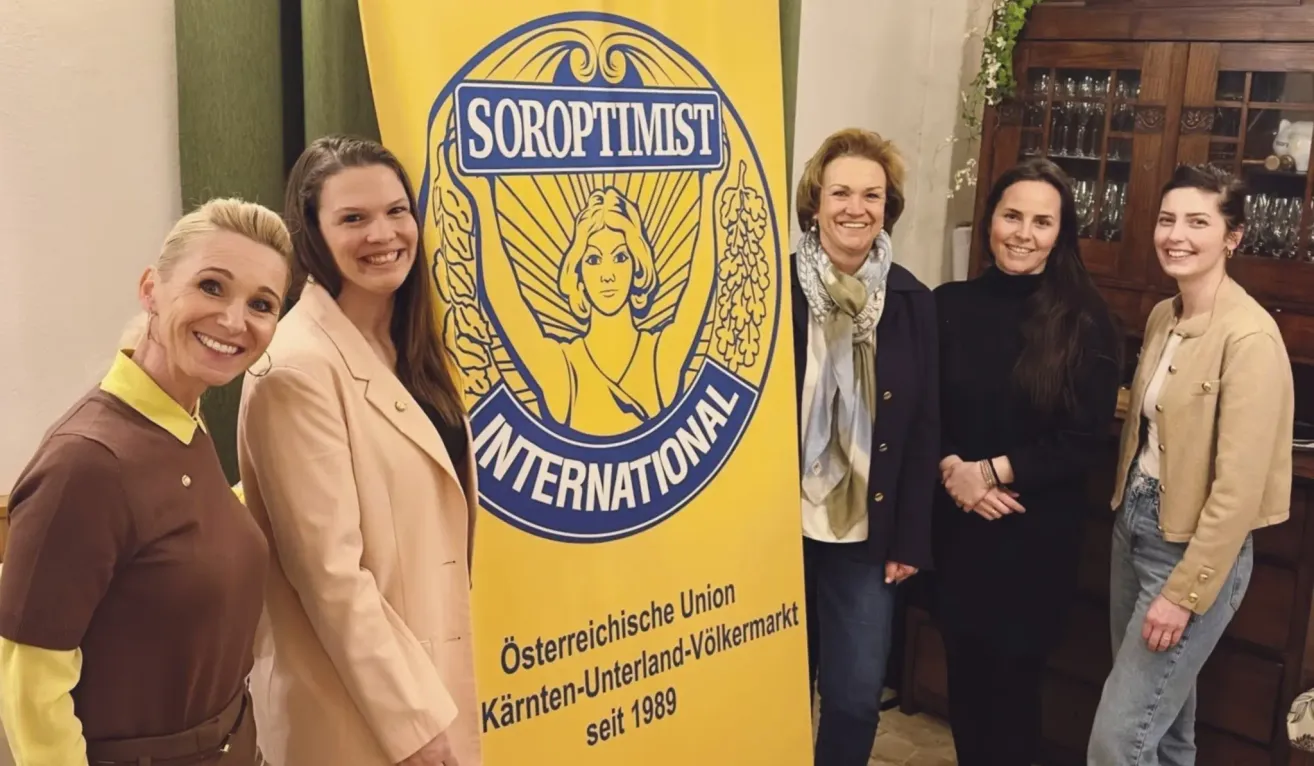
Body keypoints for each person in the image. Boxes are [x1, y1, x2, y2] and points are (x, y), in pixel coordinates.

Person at [0, 198, 293, 765]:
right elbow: (32, 687)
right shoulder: (85, 464)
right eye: (211, 286)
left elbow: (172, 532)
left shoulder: (183, 421)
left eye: (261, 303)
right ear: (150, 289)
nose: (235, 321)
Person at [236, 135, 481, 766]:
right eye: (353, 218)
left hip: (430, 685)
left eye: (397, 211)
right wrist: (417, 729)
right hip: (359, 717)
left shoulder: (410, 346)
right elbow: (331, 579)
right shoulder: (294, 369)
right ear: (312, 234)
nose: (384, 233)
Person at [1088, 164, 1294, 765]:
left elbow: (1237, 490)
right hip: (1135, 525)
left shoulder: (1250, 337)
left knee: (1117, 742)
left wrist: (1184, 594)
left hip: (1193, 551)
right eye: (1167, 219)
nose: (1175, 234)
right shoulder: (1162, 315)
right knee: (1167, 727)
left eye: (1198, 222)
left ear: (1232, 236)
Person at [932, 158, 1121, 765]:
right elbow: (920, 411)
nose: (1023, 232)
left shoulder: (1086, 320)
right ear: (990, 220)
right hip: (958, 531)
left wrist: (987, 473)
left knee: (1012, 701)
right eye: (1012, 215)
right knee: (965, 687)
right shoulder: (947, 304)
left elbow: (1085, 439)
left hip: (1032, 540)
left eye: (1042, 222)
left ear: (1061, 234)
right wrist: (952, 472)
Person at [792, 127, 939, 766]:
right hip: (777, 526)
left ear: (888, 206)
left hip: (865, 532)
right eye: (841, 192)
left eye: (872, 195)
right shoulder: (773, 292)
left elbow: (925, 424)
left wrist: (910, 537)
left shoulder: (910, 300)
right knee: (776, 685)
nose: (856, 208)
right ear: (815, 203)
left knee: (853, 696)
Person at [458, 140, 725, 437]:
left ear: (637, 267)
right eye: (594, 259)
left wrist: (710, 191)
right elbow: (507, 304)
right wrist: (482, 198)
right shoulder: (565, 370)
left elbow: (699, 289)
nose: (608, 275)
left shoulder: (659, 357)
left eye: (620, 257)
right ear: (579, 272)